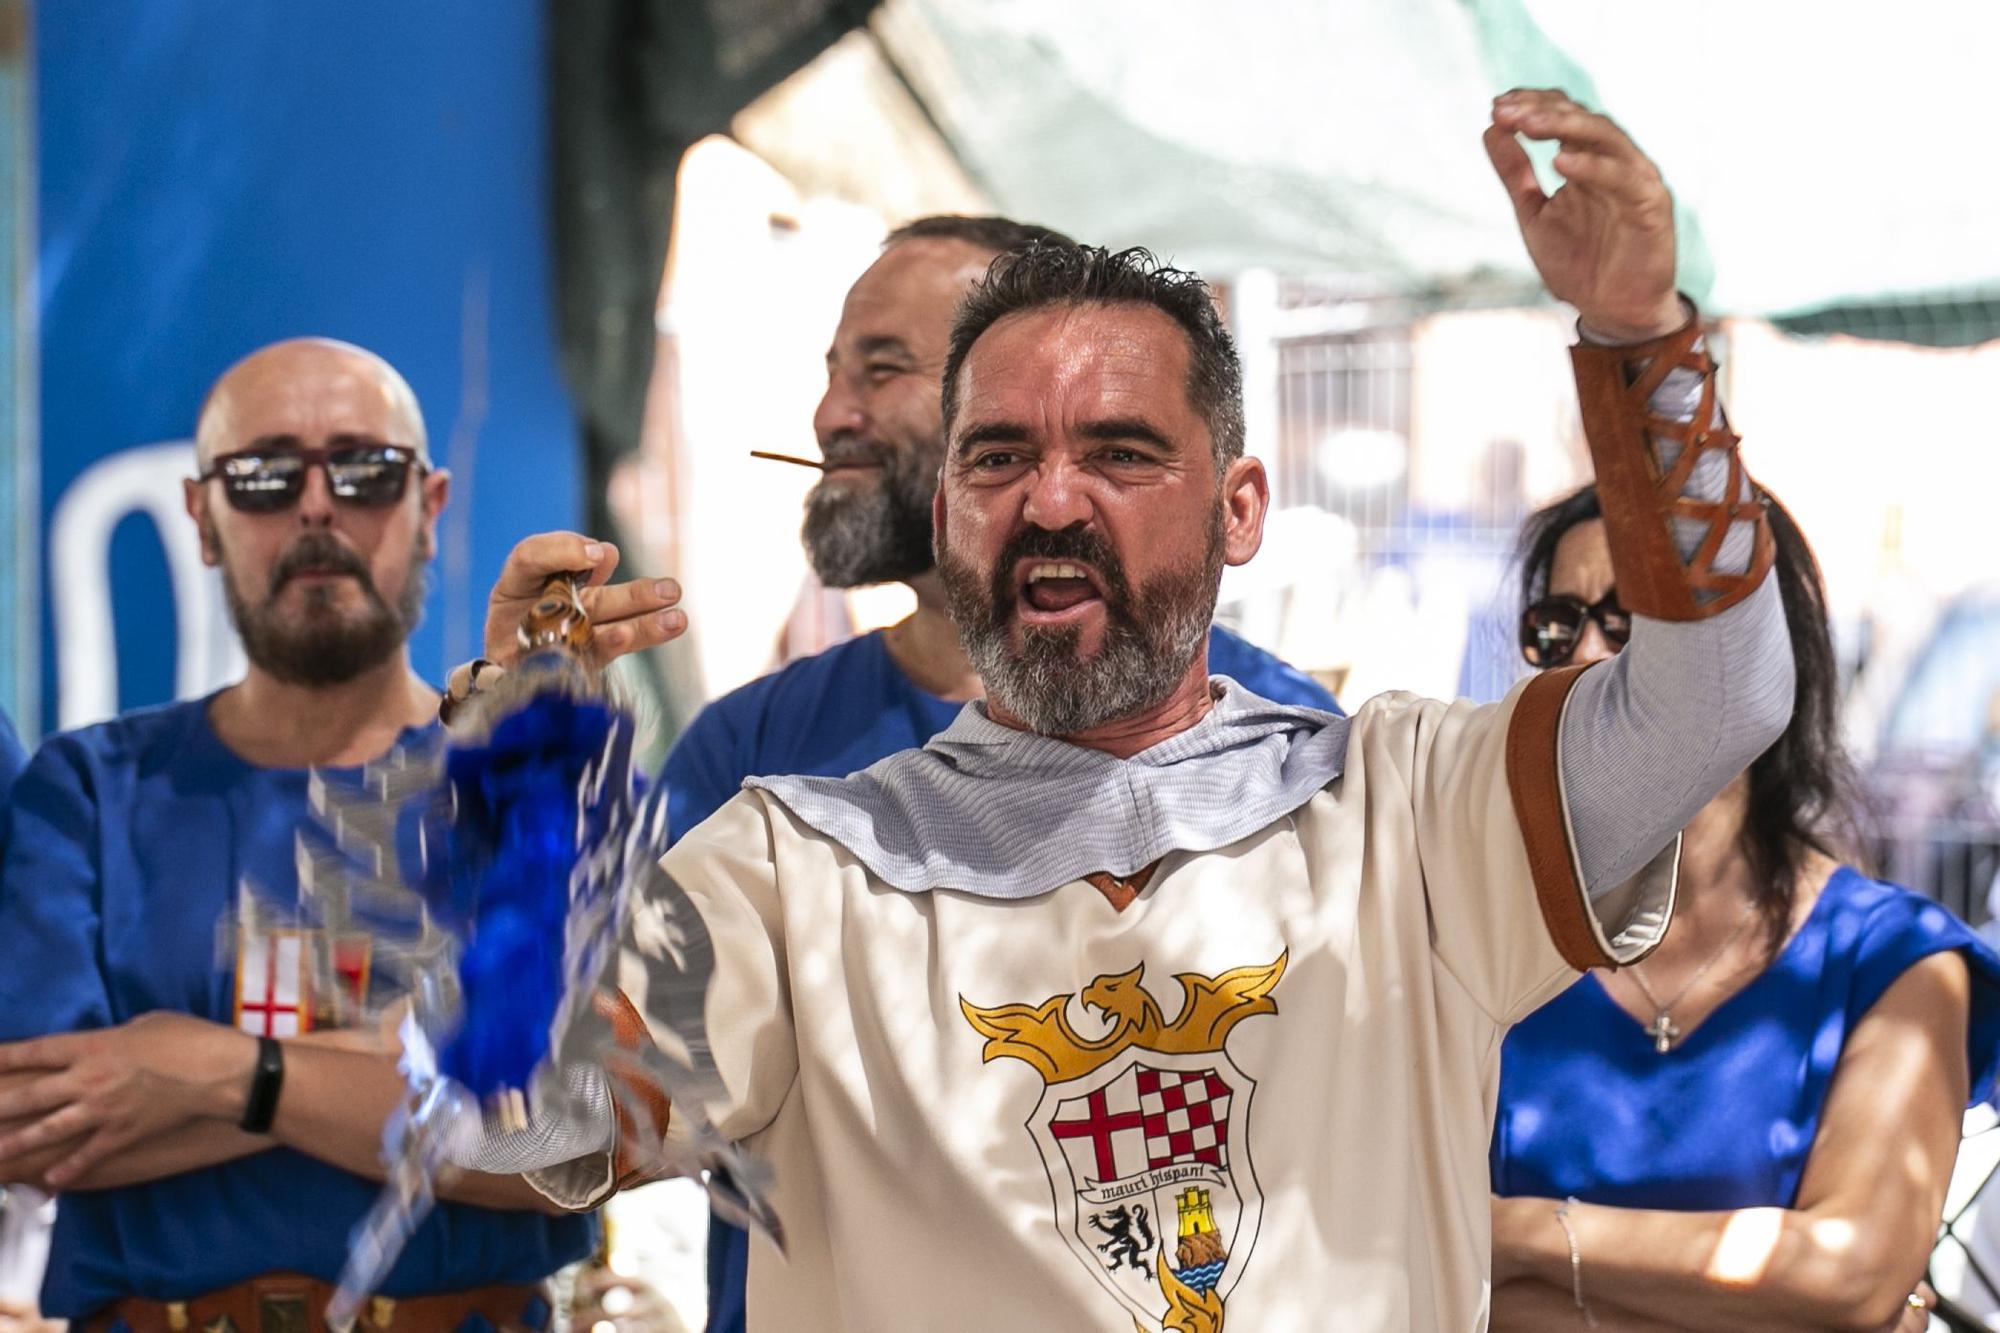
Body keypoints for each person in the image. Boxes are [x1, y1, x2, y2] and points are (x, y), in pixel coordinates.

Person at [466, 90, 1795, 1329]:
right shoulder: (788, 867)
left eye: (1120, 451)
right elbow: (531, 1118)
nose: (1051, 501)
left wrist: (1642, 346)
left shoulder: (1411, 813)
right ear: (948, 514)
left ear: (1240, 507)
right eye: (1000, 457)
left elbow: (1720, 698)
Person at [664, 212, 1341, 1333]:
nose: (831, 414)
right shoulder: (752, 758)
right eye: (832, 374)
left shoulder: (1284, 758)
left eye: (882, 370)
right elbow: (572, 1095)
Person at [0, 339, 681, 1328]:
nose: (317, 508)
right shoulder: (89, 792)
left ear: (430, 507)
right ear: (201, 517)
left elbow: (580, 1137)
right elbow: (33, 1126)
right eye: (266, 474)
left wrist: (218, 1069)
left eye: (364, 471)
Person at [1488, 486, 2000, 1331]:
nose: (1579, 654)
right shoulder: (1477, 933)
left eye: (1628, 622)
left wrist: (1511, 1234)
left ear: (1760, 660)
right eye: (1556, 623)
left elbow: (1853, 1272)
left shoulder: (1897, 962)